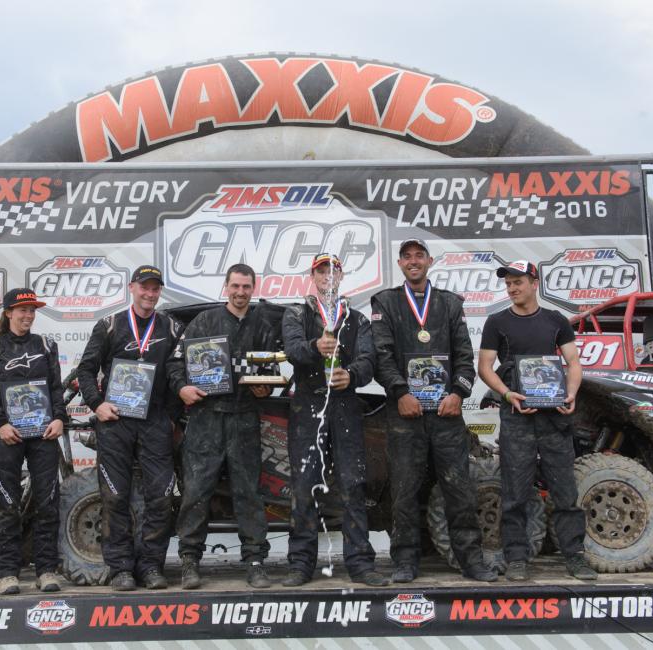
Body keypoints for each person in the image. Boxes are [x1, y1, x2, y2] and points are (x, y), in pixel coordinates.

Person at [370, 239, 497, 583]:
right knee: (404, 489)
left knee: (459, 488)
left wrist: (458, 393)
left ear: (429, 261)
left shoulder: (450, 304)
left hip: (447, 414)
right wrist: (399, 392)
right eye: (407, 257)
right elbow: (381, 354)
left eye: (419, 256)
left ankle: (471, 560)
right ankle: (405, 561)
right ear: (400, 264)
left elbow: (465, 357)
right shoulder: (385, 302)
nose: (414, 262)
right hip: (405, 413)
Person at [477, 260, 597, 581]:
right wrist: (506, 394)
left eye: (518, 281)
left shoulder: (556, 321)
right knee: (515, 492)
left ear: (534, 282)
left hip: (554, 415)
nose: (512, 288)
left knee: (565, 491)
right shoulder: (496, 322)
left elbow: (572, 362)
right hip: (517, 414)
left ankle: (575, 556)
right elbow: (485, 367)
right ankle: (516, 558)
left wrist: (571, 393)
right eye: (508, 283)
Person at [281, 253, 388, 587]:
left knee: (353, 484)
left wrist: (351, 375)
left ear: (341, 276)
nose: (328, 274)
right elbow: (293, 350)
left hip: (344, 405)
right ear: (313, 275)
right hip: (308, 406)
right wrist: (316, 345)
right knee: (303, 485)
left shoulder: (357, 319)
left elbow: (369, 361)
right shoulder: (296, 313)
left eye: (334, 269)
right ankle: (300, 564)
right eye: (321, 269)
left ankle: (360, 564)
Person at [166, 263, 276, 589]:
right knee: (196, 491)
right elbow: (175, 362)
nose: (240, 292)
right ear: (226, 286)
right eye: (235, 286)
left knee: (249, 492)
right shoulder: (205, 321)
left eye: (246, 287)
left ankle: (255, 561)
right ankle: (189, 561)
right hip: (206, 416)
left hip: (245, 416)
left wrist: (266, 387)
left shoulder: (263, 323)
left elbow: (271, 368)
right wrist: (181, 387)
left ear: (254, 289)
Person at [75, 265, 182, 591]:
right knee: (115, 497)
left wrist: (173, 419)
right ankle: (121, 569)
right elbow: (86, 369)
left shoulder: (172, 328)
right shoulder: (109, 326)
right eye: (144, 287)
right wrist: (97, 404)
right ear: (132, 287)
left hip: (154, 423)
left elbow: (178, 373)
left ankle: (151, 567)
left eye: (155, 289)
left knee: (161, 499)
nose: (150, 294)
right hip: (116, 422)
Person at [0, 288, 67, 595]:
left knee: (48, 502)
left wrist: (59, 419)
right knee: (8, 504)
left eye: (32, 310)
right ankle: (7, 573)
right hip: (8, 436)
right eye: (22, 310)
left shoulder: (45, 344)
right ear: (8, 313)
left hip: (43, 434)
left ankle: (46, 571)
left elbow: (56, 388)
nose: (28, 315)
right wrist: (0, 423)